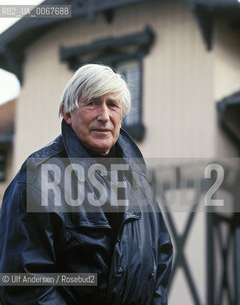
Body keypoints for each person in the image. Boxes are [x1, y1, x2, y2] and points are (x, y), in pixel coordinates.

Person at [0, 64, 173, 304]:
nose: (104, 116)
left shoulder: (138, 180)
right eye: (92, 102)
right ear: (67, 114)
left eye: (113, 105)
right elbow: (24, 283)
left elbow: (161, 257)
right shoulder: (37, 178)